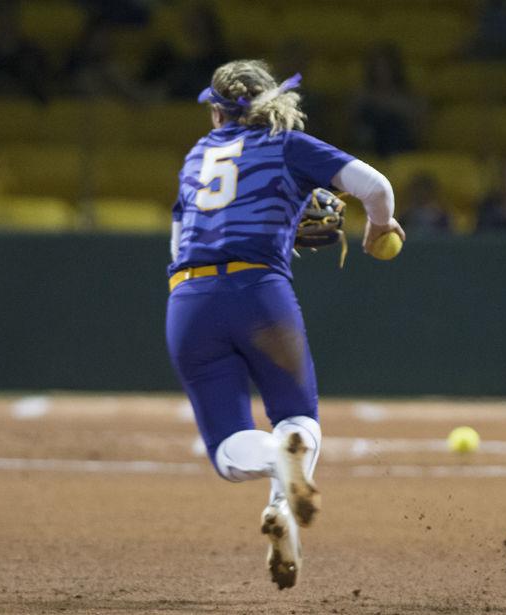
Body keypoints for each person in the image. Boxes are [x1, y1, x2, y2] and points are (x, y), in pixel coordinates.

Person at [166, 60, 404, 590]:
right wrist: (380, 226)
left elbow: (190, 235)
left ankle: (281, 498)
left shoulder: (196, 156)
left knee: (228, 452)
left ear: (216, 110)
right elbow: (375, 186)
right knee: (299, 419)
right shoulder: (287, 144)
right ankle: (286, 455)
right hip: (259, 293)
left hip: (188, 298)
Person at [0, 0, 50, 102]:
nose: (6, 21)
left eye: (10, 16)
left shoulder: (34, 55)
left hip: (28, 116)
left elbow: (47, 90)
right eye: (1, 16)